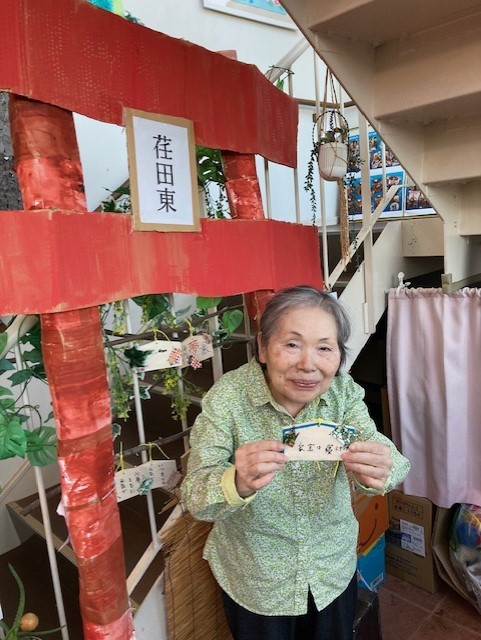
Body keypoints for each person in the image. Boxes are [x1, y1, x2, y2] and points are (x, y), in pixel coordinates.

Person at [181, 286, 410, 640]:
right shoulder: (228, 399)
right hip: (258, 582)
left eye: (324, 348)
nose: (308, 364)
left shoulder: (342, 394)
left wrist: (381, 466)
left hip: (330, 569)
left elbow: (384, 454)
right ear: (263, 347)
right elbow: (195, 496)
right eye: (292, 344)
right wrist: (236, 482)